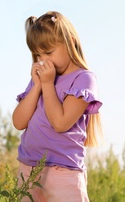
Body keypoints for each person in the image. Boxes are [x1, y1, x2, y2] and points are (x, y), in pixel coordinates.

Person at [12, 11, 103, 202]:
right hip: (29, 168)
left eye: (48, 52)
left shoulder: (82, 78)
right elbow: (19, 122)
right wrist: (37, 85)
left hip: (64, 172)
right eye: (38, 54)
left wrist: (47, 84)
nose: (43, 60)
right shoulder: (41, 80)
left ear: (69, 42)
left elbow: (60, 123)